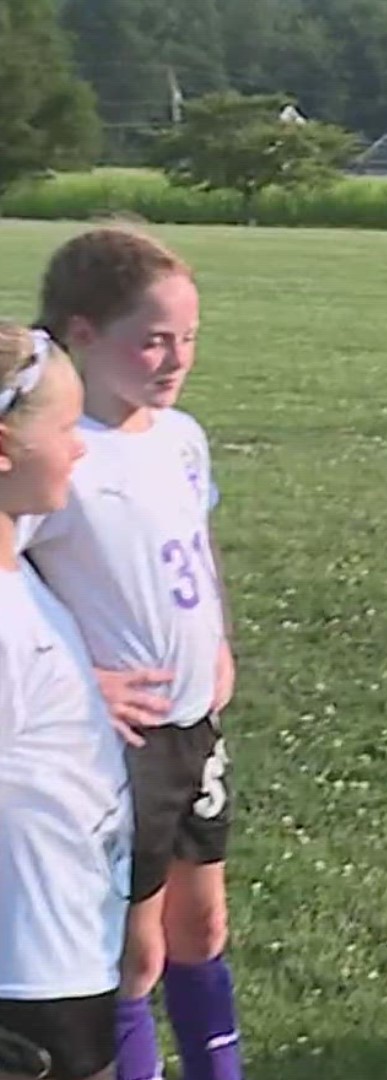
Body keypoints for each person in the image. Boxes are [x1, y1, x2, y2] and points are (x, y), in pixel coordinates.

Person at [20, 227, 244, 1080]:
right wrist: (83, 684)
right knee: (135, 957)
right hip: (124, 747)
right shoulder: (63, 454)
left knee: (205, 928)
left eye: (187, 337)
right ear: (80, 334)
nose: (175, 357)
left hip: (196, 725)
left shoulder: (180, 435)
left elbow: (195, 542)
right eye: (151, 338)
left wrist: (216, 638)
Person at [0, 322, 132, 1080]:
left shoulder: (19, 559)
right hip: (28, 978)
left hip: (66, 951)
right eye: (64, 430)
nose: (81, 447)